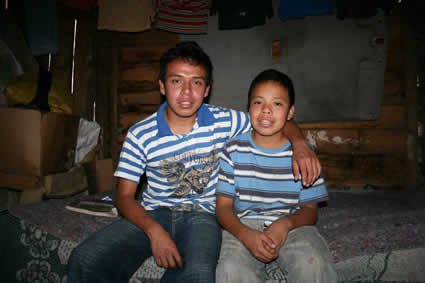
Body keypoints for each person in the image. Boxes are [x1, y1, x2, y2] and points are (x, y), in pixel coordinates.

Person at [67, 42, 321, 283]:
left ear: (207, 89)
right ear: (163, 86)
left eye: (196, 82)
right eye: (177, 81)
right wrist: (154, 231)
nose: (187, 92)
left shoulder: (226, 121)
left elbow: (274, 119)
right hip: (154, 213)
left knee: (198, 274)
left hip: (205, 217)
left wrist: (299, 144)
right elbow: (124, 197)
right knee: (84, 259)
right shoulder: (140, 134)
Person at [215, 69, 337, 283]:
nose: (266, 111)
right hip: (243, 224)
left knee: (314, 264)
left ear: (290, 112)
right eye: (258, 102)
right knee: (229, 269)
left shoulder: (303, 155)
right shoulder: (232, 150)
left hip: (292, 225)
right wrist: (245, 234)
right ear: (249, 107)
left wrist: (285, 224)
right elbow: (223, 208)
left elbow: (310, 212)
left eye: (277, 104)